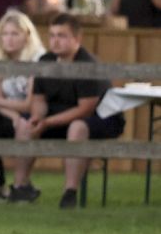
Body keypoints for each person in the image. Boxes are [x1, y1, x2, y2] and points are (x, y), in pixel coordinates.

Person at [9, 13, 124, 208]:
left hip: (100, 118)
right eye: (52, 35)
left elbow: (85, 109)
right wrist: (38, 117)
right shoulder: (45, 61)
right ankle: (21, 187)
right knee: (24, 124)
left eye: (61, 36)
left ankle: (70, 193)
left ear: (77, 39)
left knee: (77, 127)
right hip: (58, 116)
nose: (55, 41)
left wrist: (47, 123)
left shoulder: (88, 65)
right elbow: (38, 99)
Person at [0, 10, 46, 199]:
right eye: (5, 34)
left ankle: (20, 185)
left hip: (34, 112)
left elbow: (29, 103)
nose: (9, 39)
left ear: (27, 35)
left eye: (15, 34)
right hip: (10, 113)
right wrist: (14, 116)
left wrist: (0, 102)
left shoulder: (37, 60)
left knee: (26, 124)